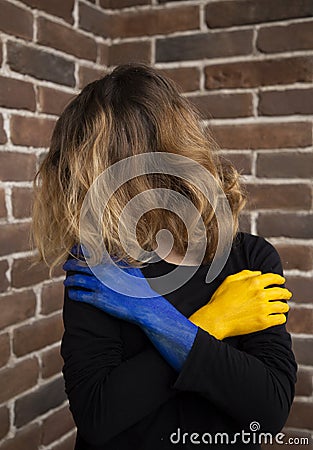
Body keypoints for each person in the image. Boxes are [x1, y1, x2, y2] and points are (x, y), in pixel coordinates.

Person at [31, 63, 297, 449]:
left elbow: (269, 409)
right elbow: (98, 417)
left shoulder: (250, 258)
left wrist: (157, 317)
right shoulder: (99, 267)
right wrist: (211, 324)